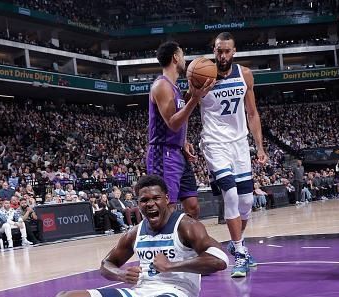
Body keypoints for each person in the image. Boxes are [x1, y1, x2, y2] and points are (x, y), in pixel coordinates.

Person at [56, 175, 228, 297]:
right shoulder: (135, 232)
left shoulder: (186, 226)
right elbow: (106, 264)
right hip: (140, 291)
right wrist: (120, 274)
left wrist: (170, 266)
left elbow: (219, 261)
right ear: (138, 203)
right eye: (144, 200)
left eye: (156, 198)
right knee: (65, 295)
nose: (150, 204)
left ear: (167, 199)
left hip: (177, 290)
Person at [199, 32, 268, 277]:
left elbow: (252, 113)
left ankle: (235, 242)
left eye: (227, 51)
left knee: (247, 202)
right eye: (219, 50)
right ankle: (239, 253)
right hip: (214, 143)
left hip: (239, 144)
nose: (223, 55)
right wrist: (198, 91)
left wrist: (259, 146)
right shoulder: (202, 73)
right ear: (214, 49)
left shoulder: (245, 74)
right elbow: (187, 104)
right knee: (229, 193)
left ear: (234, 51)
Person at [146, 41, 215, 219]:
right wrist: (195, 98)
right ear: (176, 57)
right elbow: (173, 123)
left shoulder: (175, 87)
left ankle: (185, 245)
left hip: (178, 152)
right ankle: (160, 245)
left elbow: (178, 119)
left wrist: (183, 141)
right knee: (166, 208)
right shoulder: (162, 86)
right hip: (163, 153)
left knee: (192, 207)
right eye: (182, 55)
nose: (184, 59)